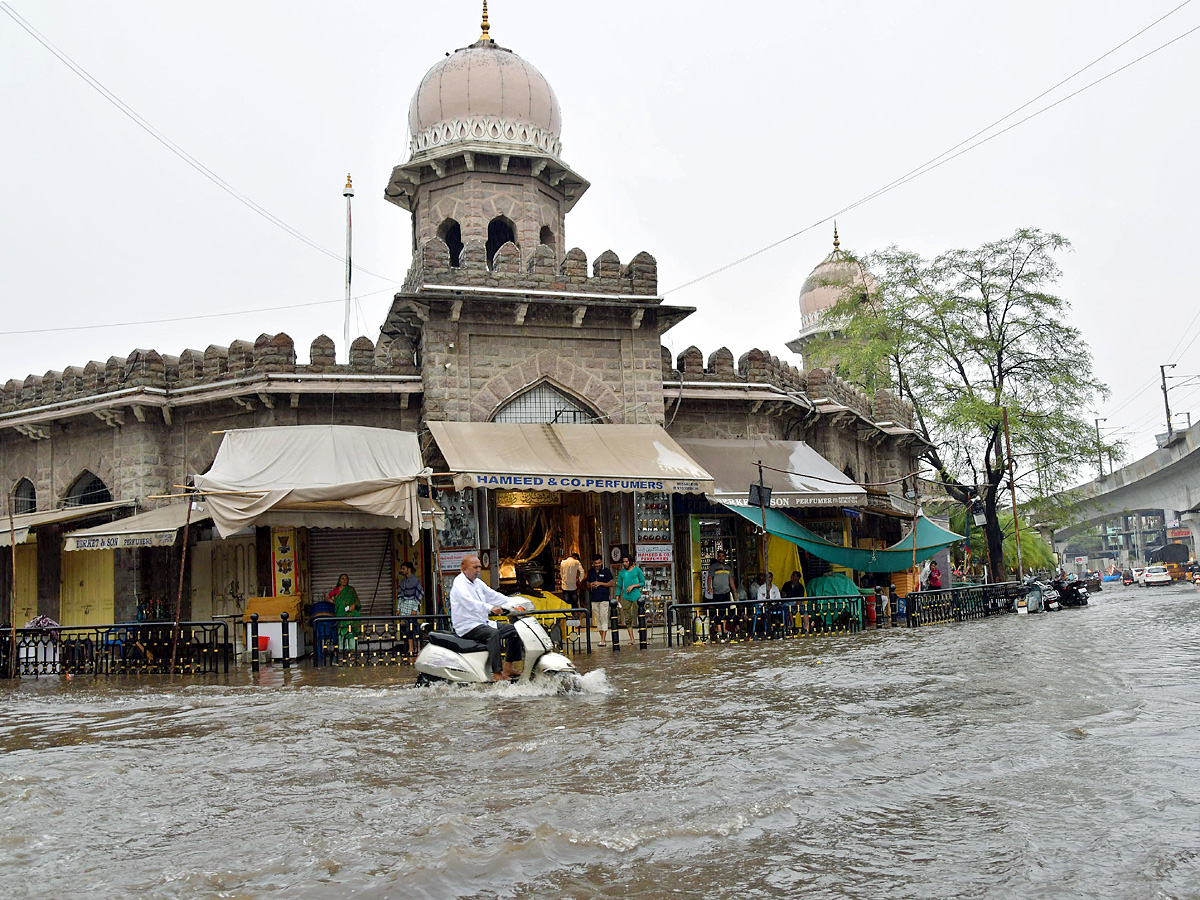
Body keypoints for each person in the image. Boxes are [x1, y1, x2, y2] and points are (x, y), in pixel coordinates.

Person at [449, 555, 521, 682]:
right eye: (475, 567)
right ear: (464, 569)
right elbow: (469, 603)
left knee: (515, 630)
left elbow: (492, 595)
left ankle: (508, 668)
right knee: (493, 634)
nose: (478, 570)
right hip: (467, 626)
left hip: (483, 622)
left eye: (479, 567)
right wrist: (490, 608)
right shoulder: (459, 584)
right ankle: (497, 673)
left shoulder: (477, 583)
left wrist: (513, 602)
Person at [395, 561, 424, 656]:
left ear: (409, 569)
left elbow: (419, 594)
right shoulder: (402, 582)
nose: (402, 570)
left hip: (413, 604)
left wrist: (415, 608)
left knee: (415, 627)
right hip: (404, 605)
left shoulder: (416, 580)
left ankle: (419, 648)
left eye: (404, 568)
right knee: (408, 628)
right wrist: (398, 608)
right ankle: (411, 648)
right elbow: (400, 596)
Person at [615, 554, 644, 646]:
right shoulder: (621, 573)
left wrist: (633, 586)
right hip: (626, 597)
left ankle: (643, 638)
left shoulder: (637, 570)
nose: (625, 563)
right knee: (628, 618)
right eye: (623, 562)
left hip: (636, 596)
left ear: (630, 562)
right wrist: (617, 597)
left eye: (626, 561)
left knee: (641, 615)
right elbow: (619, 586)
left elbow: (642, 582)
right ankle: (632, 638)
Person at [586, 554, 614, 647]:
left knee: (603, 617)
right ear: (593, 563)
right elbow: (586, 583)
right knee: (598, 619)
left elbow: (612, 583)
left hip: (604, 598)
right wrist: (591, 585)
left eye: (599, 563)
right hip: (594, 598)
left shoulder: (606, 571)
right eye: (596, 563)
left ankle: (603, 639)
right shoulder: (591, 572)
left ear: (601, 562)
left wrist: (600, 583)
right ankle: (602, 638)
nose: (597, 565)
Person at [328, 573, 361, 650]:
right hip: (340, 615)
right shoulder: (336, 590)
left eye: (346, 579)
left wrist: (354, 605)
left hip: (350, 615)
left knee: (351, 631)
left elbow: (357, 601)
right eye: (342, 578)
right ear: (339, 581)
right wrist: (334, 602)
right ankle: (342, 651)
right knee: (341, 631)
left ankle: (352, 651)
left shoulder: (351, 590)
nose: (344, 580)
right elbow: (327, 597)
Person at [708, 550, 735, 640]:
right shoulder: (713, 567)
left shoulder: (728, 568)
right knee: (718, 612)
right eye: (719, 556)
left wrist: (734, 591)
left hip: (726, 592)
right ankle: (719, 629)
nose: (721, 558)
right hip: (717, 593)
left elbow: (731, 580)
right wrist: (709, 587)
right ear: (717, 557)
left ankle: (723, 629)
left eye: (722, 556)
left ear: (725, 557)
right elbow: (709, 578)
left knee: (725, 611)